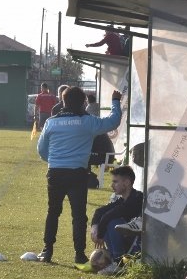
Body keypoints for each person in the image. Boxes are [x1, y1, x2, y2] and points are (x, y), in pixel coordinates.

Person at [37, 86, 123, 264]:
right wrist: (115, 101)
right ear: (84, 102)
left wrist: (55, 160)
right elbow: (113, 121)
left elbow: (42, 151)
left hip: (55, 172)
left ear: (63, 101)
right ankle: (79, 254)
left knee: (53, 212)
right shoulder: (88, 122)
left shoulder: (51, 122)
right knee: (79, 215)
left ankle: (47, 251)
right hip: (77, 173)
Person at [90, 166, 143, 259]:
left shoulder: (137, 198)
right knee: (107, 221)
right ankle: (113, 257)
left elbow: (108, 216)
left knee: (112, 222)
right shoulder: (122, 200)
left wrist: (100, 235)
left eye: (115, 182)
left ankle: (118, 260)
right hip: (128, 244)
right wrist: (94, 227)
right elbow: (99, 212)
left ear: (126, 183)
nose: (111, 185)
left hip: (139, 247)